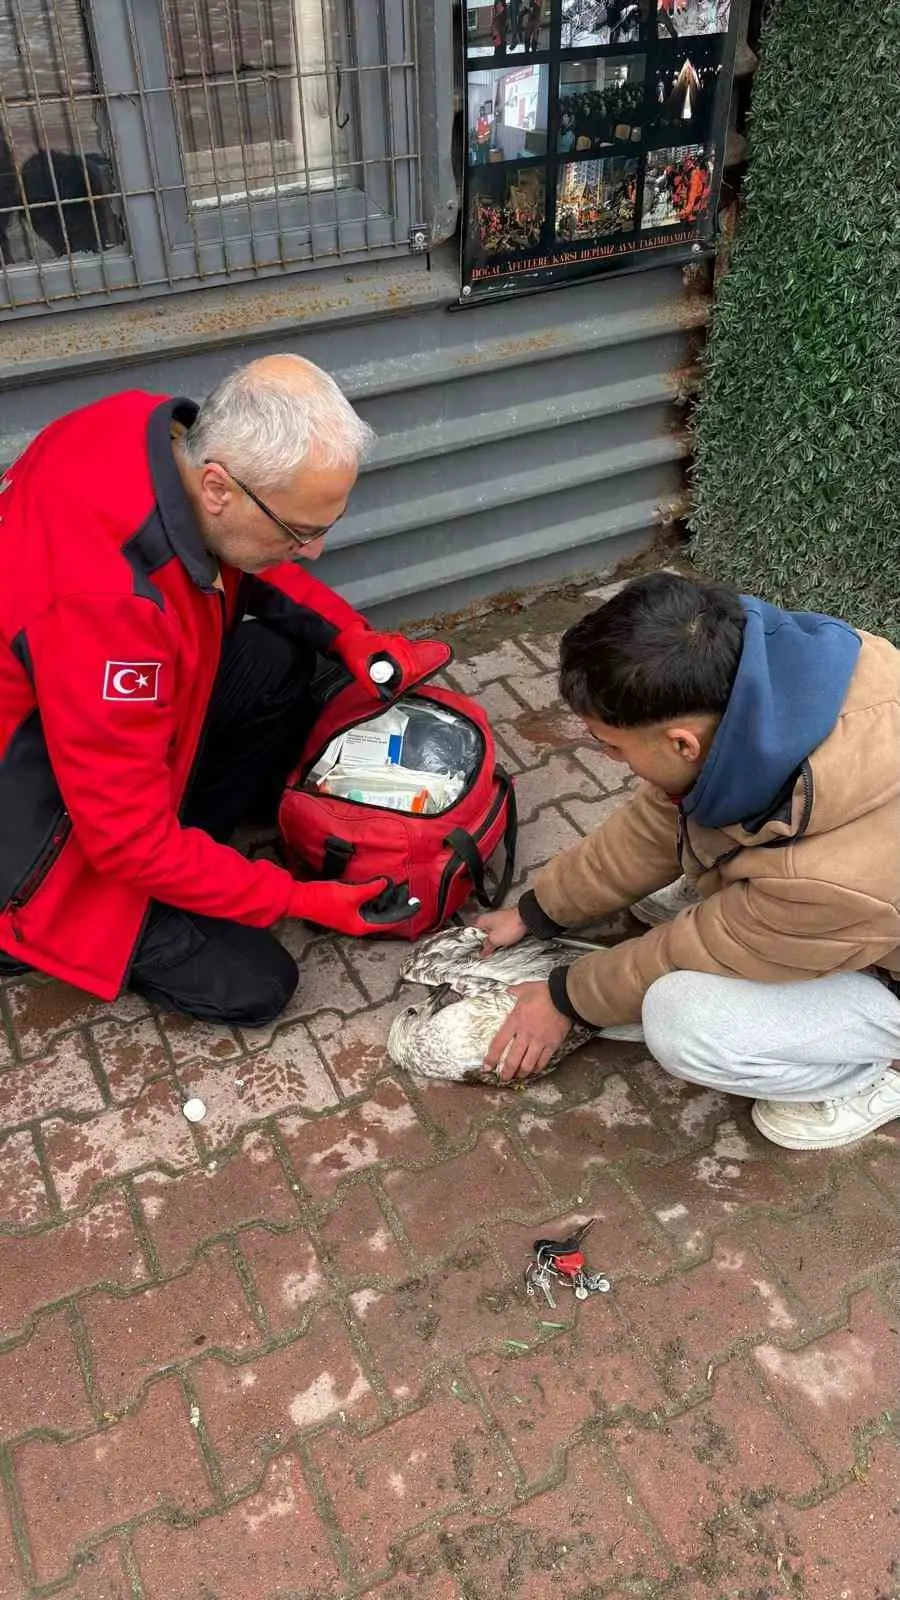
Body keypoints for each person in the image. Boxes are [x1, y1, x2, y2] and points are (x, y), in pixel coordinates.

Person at [0, 355, 436, 1025]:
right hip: (40, 832)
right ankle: (84, 912)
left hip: (95, 729)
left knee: (274, 660)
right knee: (258, 983)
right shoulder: (110, 611)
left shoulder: (154, 429)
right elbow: (124, 842)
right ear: (216, 486)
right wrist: (297, 898)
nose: (313, 551)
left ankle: (195, 851)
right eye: (301, 531)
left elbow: (244, 554)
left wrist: (347, 635)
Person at [476, 573, 900, 1151]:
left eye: (611, 746)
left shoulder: (830, 877)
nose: (607, 759)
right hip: (844, 904)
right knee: (691, 879)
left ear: (682, 744)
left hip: (872, 936)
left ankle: (875, 1072)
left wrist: (563, 998)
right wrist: (539, 910)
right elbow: (661, 817)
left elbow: (695, 948)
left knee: (683, 1019)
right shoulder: (794, 680)